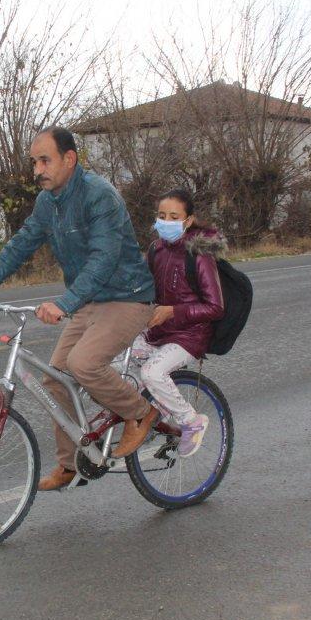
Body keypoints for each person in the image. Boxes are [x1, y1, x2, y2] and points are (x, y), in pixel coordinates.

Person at [0, 126, 158, 491]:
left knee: (84, 364)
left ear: (69, 159)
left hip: (127, 297)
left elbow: (103, 259)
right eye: (34, 162)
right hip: (89, 301)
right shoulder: (47, 203)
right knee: (56, 378)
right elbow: (21, 244)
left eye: (44, 160)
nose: (37, 169)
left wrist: (65, 303)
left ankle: (141, 414)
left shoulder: (100, 196)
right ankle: (72, 464)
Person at [131, 189, 226, 456]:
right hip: (158, 330)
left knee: (151, 372)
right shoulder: (155, 249)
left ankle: (191, 421)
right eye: (162, 216)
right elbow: (141, 287)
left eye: (174, 216)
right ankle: (156, 416)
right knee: (116, 364)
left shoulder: (199, 253)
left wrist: (174, 311)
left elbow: (215, 306)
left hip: (189, 335)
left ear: (188, 221)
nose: (166, 221)